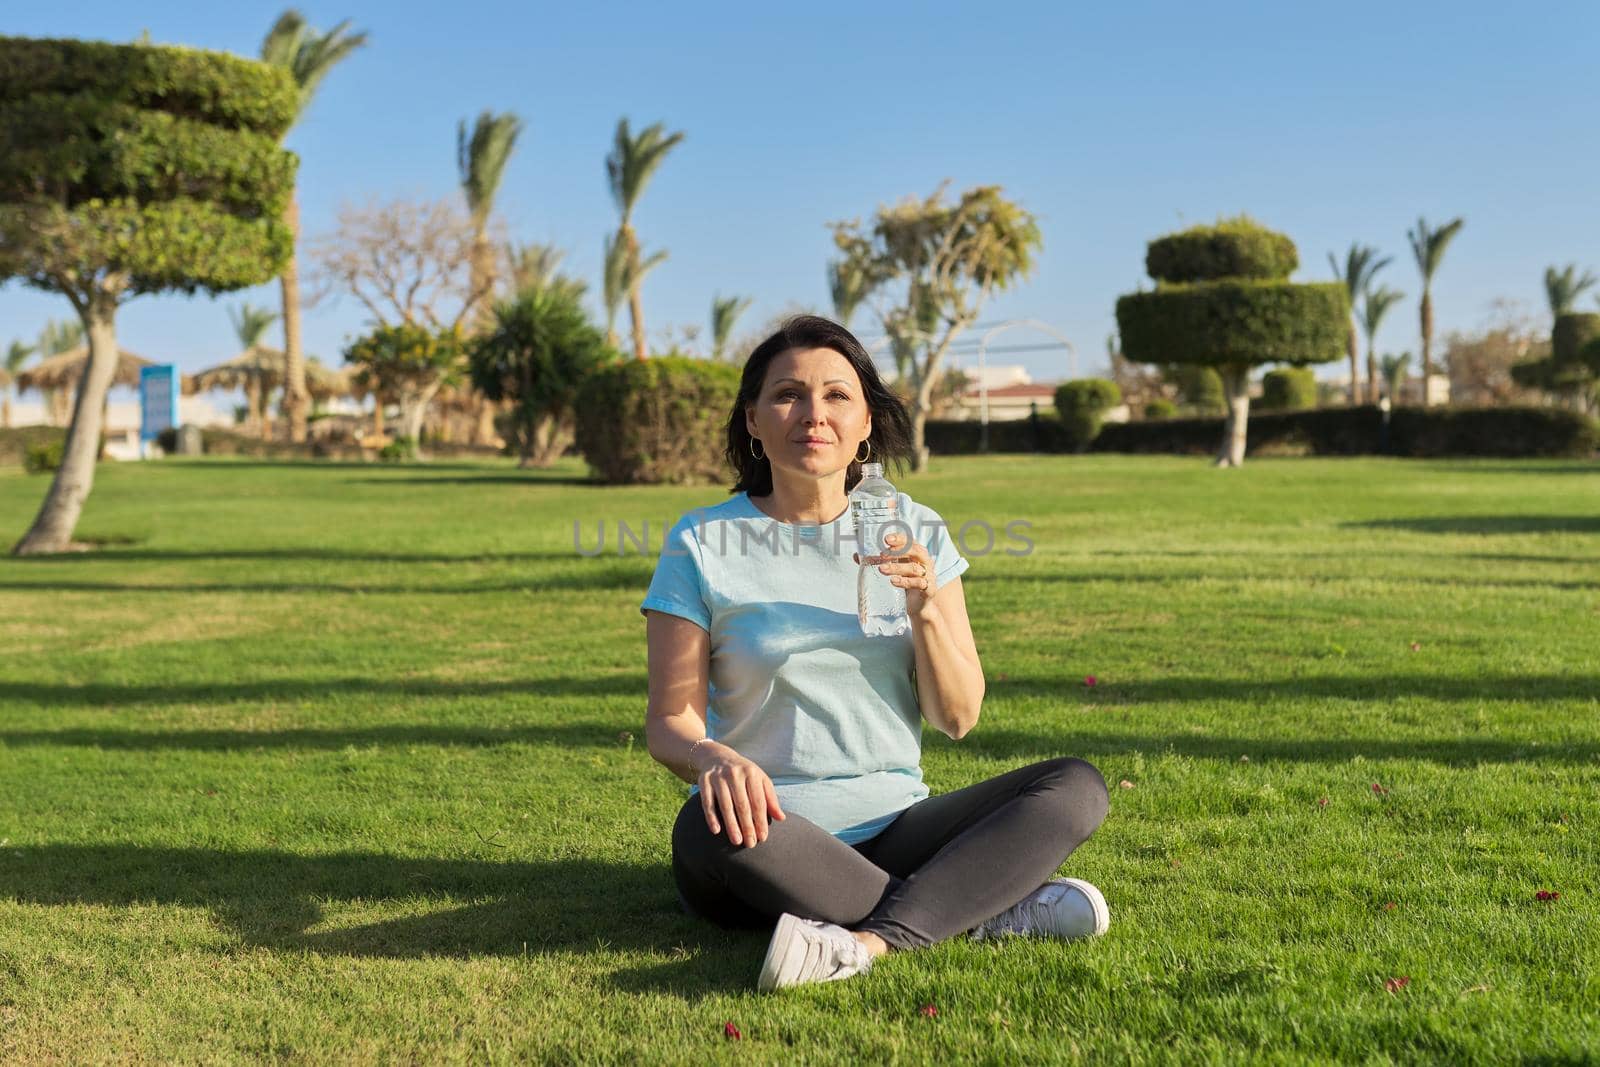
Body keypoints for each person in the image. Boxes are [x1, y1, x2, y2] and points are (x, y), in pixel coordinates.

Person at [641, 315, 1110, 992]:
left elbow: (958, 716)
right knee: (705, 828)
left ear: (866, 422)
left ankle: (866, 941)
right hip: (766, 832)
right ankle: (978, 906)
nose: (813, 414)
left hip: (898, 824)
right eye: (787, 395)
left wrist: (924, 608)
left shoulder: (912, 530)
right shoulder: (701, 542)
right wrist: (714, 757)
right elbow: (669, 723)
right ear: (753, 419)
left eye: (837, 396)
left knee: (1074, 786)